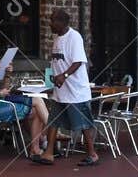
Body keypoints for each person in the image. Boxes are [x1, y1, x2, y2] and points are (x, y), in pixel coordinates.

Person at [37, 9, 100, 168]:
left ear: (62, 22)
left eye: (52, 21)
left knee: (83, 124)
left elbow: (78, 61)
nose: (50, 24)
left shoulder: (74, 37)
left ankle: (92, 154)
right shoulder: (57, 39)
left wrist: (63, 76)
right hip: (60, 91)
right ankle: (49, 153)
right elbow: (56, 62)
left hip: (76, 91)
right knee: (53, 121)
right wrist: (51, 81)